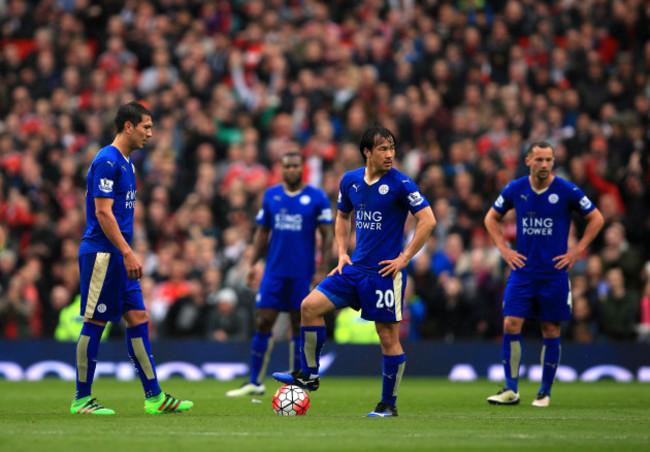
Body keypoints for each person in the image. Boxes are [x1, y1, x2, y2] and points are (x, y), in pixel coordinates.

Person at [273, 126, 436, 417]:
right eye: (383, 149)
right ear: (367, 152)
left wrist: (405, 257)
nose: (390, 155)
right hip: (354, 268)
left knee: (387, 338)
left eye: (392, 148)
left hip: (385, 274)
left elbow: (428, 220)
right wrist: (341, 252)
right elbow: (342, 216)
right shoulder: (350, 181)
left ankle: (388, 404)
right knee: (309, 306)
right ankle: (309, 373)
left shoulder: (401, 183)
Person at [71, 101, 193, 415]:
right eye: (146, 127)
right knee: (95, 321)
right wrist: (127, 251)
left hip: (120, 254)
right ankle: (82, 399)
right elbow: (102, 212)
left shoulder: (127, 161)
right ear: (128, 126)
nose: (151, 134)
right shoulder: (107, 161)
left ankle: (154, 397)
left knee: (138, 319)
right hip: (103, 253)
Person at [484, 141, 604, 407]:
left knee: (550, 328)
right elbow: (491, 218)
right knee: (509, 324)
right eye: (539, 160)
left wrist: (576, 252)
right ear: (528, 161)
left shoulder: (566, 189)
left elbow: (597, 218)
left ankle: (545, 392)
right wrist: (504, 250)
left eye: (549, 160)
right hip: (522, 272)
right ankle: (511, 389)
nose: (545, 165)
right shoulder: (516, 189)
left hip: (554, 273)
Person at [226, 152, 333, 397]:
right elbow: (262, 233)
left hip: (302, 273)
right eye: (287, 166)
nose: (292, 170)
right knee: (264, 320)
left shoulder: (316, 198)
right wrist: (253, 264)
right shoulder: (271, 195)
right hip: (274, 271)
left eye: (296, 166)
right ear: (282, 169)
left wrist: (322, 268)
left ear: (303, 169)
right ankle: (254, 381)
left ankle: (298, 379)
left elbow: (327, 236)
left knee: (298, 325)